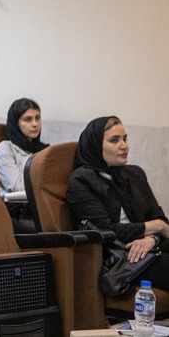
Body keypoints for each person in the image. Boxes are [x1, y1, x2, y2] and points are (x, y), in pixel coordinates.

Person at [67, 116, 169, 290]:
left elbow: (159, 218)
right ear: (96, 145)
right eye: (114, 140)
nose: (124, 146)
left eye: (125, 139)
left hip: (148, 245)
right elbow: (106, 231)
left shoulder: (134, 174)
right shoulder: (82, 180)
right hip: (120, 256)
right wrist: (157, 227)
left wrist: (151, 238)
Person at [0, 98, 49, 198]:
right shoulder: (5, 149)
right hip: (14, 205)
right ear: (16, 124)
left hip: (41, 201)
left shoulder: (44, 150)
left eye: (37, 118)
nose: (35, 124)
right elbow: (18, 188)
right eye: (28, 119)